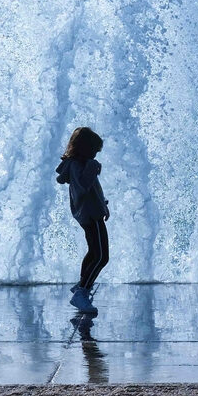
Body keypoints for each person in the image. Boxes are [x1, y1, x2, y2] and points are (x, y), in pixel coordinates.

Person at [56, 127, 110, 315]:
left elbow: (92, 191)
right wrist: (92, 168)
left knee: (94, 252)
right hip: (90, 215)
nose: (96, 154)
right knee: (102, 257)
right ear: (85, 148)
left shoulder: (80, 164)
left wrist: (103, 204)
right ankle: (82, 293)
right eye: (94, 150)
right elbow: (82, 190)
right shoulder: (80, 166)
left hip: (92, 213)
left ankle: (82, 284)